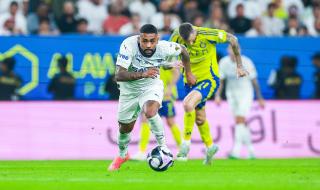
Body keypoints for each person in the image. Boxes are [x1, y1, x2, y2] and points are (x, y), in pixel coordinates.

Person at [108, 24, 196, 171]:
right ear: (139, 38)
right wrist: (143, 73)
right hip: (128, 91)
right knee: (125, 128)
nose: (148, 45)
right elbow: (119, 75)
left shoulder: (165, 47)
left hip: (151, 86)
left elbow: (184, 51)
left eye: (152, 41)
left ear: (157, 39)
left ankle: (164, 147)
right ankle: (123, 154)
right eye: (144, 41)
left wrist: (188, 73)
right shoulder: (128, 45)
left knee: (150, 112)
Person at [169, 23, 248, 165]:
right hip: (190, 82)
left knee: (188, 104)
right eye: (187, 42)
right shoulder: (175, 37)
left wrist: (239, 65)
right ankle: (210, 147)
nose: (190, 43)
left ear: (194, 31)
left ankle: (185, 144)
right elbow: (167, 54)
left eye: (192, 39)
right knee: (199, 118)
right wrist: (172, 63)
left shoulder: (208, 34)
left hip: (209, 79)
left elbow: (233, 39)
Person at [215, 45, 265, 159]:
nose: (233, 52)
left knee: (239, 120)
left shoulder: (247, 62)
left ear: (239, 51)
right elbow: (221, 81)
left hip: (246, 93)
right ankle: (251, 150)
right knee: (241, 123)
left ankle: (236, 151)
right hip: (231, 95)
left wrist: (260, 98)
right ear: (228, 51)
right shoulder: (223, 62)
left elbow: (254, 81)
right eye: (230, 49)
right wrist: (218, 95)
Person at [132, 67, 182, 160]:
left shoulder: (166, 55)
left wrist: (170, 87)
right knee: (144, 119)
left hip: (166, 95)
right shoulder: (147, 56)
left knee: (170, 122)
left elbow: (176, 72)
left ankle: (182, 151)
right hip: (151, 94)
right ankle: (142, 151)